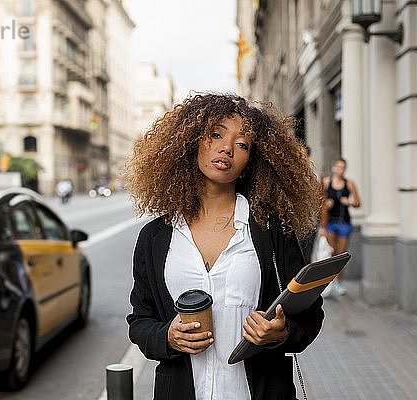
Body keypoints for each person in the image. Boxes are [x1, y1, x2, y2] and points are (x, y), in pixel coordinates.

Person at [124, 94, 324, 400]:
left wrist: (280, 333)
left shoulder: (272, 233)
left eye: (242, 144)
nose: (227, 148)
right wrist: (167, 336)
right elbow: (140, 322)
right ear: (192, 144)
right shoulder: (155, 238)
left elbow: (309, 315)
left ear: (248, 165)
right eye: (216, 134)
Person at [319, 158, 361, 296]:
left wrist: (348, 202)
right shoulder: (326, 182)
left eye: (342, 167)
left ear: (345, 169)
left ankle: (338, 282)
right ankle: (329, 284)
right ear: (333, 167)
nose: (339, 169)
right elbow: (319, 201)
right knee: (331, 254)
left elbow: (357, 203)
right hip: (330, 223)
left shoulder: (349, 184)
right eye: (337, 166)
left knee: (341, 255)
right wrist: (326, 203)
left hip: (344, 223)